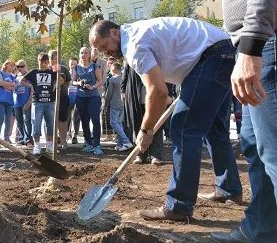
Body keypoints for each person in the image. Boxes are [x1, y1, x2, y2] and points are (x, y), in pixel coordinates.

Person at [90, 17, 242, 221]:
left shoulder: (134, 44)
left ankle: (178, 206)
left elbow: (158, 92)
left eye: (104, 46)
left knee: (183, 129)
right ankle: (228, 188)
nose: (105, 52)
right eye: (100, 50)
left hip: (212, 57)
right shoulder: (136, 33)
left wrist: (146, 130)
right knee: (214, 129)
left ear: (114, 33)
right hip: (224, 53)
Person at [210, 0, 277, 242]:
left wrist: (252, 45)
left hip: (264, 45)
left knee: (274, 152)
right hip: (253, 47)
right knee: (254, 146)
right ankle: (261, 229)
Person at [20, 52, 59, 155]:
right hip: (37, 102)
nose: (44, 65)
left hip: (50, 101)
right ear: (38, 61)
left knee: (50, 124)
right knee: (36, 124)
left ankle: (49, 145)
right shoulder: (33, 72)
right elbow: (21, 81)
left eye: (46, 62)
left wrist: (55, 83)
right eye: (42, 62)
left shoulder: (52, 72)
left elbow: (61, 79)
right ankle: (37, 145)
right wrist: (31, 86)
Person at [72, 47, 103, 156]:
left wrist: (93, 87)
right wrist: (79, 83)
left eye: (86, 53)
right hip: (80, 97)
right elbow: (73, 81)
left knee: (95, 119)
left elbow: (100, 80)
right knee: (84, 120)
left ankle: (97, 145)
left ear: (89, 54)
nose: (83, 55)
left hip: (93, 96)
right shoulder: (76, 67)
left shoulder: (95, 66)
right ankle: (88, 144)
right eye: (81, 53)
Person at [104, 62, 133, 152]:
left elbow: (109, 93)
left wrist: (105, 104)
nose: (111, 72)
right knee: (120, 124)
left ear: (116, 70)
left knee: (113, 123)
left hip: (115, 104)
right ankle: (120, 143)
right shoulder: (126, 79)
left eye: (112, 70)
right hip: (124, 104)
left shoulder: (113, 79)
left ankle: (126, 141)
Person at [49, 50, 71, 148]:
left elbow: (65, 81)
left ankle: (63, 141)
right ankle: (52, 142)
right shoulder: (46, 70)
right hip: (50, 98)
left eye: (55, 58)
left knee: (62, 120)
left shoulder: (63, 69)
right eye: (51, 58)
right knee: (51, 120)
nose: (53, 60)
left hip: (63, 97)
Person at [0, 60, 17, 143]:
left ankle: (6, 139)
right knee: (0, 119)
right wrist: (6, 84)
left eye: (13, 65)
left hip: (9, 101)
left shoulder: (13, 77)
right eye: (11, 65)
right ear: (6, 65)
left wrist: (4, 85)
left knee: (8, 120)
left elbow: (14, 87)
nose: (12, 67)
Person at [13, 60, 33, 146]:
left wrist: (29, 101)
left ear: (26, 66)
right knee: (19, 121)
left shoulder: (30, 76)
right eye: (18, 66)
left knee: (27, 121)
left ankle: (28, 139)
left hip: (26, 102)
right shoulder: (15, 77)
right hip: (17, 102)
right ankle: (21, 138)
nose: (20, 68)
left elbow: (33, 89)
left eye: (22, 66)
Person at [67, 57, 80, 144]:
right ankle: (68, 134)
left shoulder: (80, 74)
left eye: (74, 64)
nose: (73, 66)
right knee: (67, 118)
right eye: (71, 64)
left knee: (76, 118)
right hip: (67, 98)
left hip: (77, 98)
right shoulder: (66, 73)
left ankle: (75, 135)